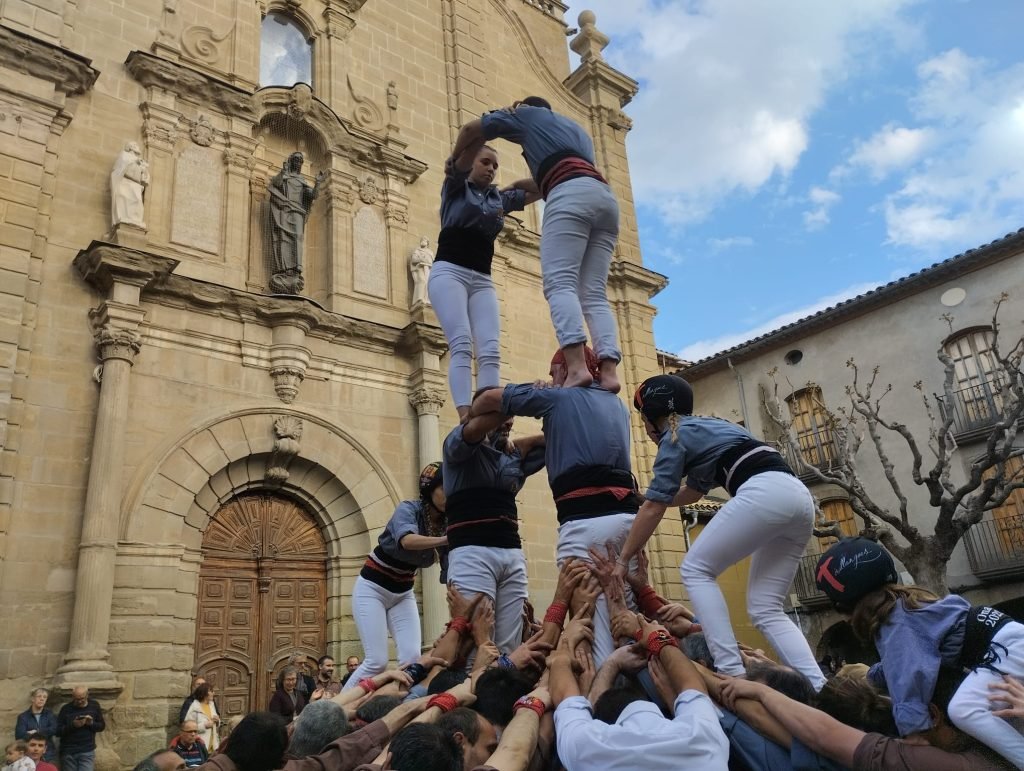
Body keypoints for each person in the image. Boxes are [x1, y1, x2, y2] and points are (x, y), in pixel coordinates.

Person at [612, 374, 826, 690]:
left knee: (696, 568)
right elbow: (693, 494)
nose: (644, 430)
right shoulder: (712, 427)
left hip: (764, 490)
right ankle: (819, 685)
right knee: (765, 607)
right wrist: (647, 497)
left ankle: (730, 673)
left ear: (652, 416)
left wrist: (623, 559)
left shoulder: (674, 434)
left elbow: (654, 510)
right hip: (798, 497)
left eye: (643, 420)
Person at [468, 346, 643, 664]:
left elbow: (485, 400)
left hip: (586, 524)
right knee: (627, 608)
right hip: (628, 521)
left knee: (591, 619)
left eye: (553, 372)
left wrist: (533, 392)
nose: (549, 378)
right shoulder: (616, 405)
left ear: (570, 370)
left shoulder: (558, 398)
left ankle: (608, 693)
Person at [450, 96, 622, 393]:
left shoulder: (524, 115)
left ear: (521, 106)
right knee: (593, 293)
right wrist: (512, 190)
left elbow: (469, 131)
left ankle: (578, 368)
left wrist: (455, 168)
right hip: (605, 200)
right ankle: (608, 373)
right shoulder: (577, 131)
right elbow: (547, 180)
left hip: (570, 194)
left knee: (560, 284)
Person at [816, 536, 1024, 767]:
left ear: (845, 607)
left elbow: (910, 673)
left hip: (1001, 649)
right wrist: (872, 676)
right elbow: (903, 661)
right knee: (1000, 711)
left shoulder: (894, 624)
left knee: (964, 708)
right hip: (1005, 642)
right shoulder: (908, 604)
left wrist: (913, 730)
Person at [427, 142, 536, 420]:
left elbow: (540, 188)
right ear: (471, 163)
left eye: (495, 165)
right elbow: (457, 163)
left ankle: (487, 410)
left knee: (490, 348)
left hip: (481, 279)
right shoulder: (456, 187)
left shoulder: (498, 200)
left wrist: (511, 184)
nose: (491, 169)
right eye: (485, 162)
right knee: (462, 342)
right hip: (450, 271)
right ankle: (465, 414)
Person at [550, 613, 729, 770]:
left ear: (601, 724)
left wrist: (563, 650)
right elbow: (692, 682)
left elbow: (565, 696)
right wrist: (658, 638)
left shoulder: (588, 748)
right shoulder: (703, 737)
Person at [441, 414, 545, 655]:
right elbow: (471, 431)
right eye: (501, 416)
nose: (509, 423)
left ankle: (502, 688)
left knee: (509, 646)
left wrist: (526, 441)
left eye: (511, 417)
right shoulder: (457, 448)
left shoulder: (511, 456)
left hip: (511, 554)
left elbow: (557, 439)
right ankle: (469, 688)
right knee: (473, 642)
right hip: (472, 552)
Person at [347, 463, 448, 685]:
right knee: (376, 661)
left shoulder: (446, 522)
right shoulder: (409, 509)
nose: (451, 492)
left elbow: (450, 568)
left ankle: (396, 705)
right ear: (430, 489)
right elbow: (407, 540)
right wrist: (446, 540)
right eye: (445, 486)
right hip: (372, 589)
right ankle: (334, 711)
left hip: (403, 592)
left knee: (412, 659)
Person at [267, 151, 325, 294]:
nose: (298, 163)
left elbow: (313, 195)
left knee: (297, 240)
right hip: (284, 211)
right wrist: (283, 172)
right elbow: (275, 184)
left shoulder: (301, 180)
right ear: (291, 161)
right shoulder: (285, 176)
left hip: (297, 212)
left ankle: (295, 269)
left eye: (300, 161)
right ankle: (283, 269)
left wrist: (317, 183)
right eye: (296, 160)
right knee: (283, 239)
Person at [57, 687, 105, 771]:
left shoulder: (94, 706)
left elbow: (101, 726)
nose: (79, 701)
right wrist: (73, 725)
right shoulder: (66, 709)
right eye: (76, 699)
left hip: (86, 750)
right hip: (68, 752)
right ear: (72, 696)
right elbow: (57, 731)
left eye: (82, 698)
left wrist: (91, 724)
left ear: (87, 695)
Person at [110, 141, 149, 228]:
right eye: (135, 145)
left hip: (136, 185)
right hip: (126, 183)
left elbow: (144, 176)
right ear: (130, 147)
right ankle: (124, 220)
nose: (137, 146)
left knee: (138, 202)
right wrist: (136, 161)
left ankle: (134, 221)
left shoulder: (139, 160)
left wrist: (143, 169)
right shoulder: (125, 155)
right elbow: (121, 167)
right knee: (125, 200)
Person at [15, 689, 58, 762]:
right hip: (29, 754)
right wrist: (43, 732)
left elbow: (54, 729)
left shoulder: (50, 714)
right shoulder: (23, 717)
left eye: (44, 697)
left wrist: (37, 732)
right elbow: (19, 735)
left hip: (48, 753)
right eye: (39, 696)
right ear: (32, 699)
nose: (42, 699)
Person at [184, 683, 220, 752]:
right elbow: (188, 727)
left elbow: (215, 723)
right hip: (200, 745)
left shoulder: (211, 704)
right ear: (204, 693)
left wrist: (217, 720)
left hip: (213, 745)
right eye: (211, 691)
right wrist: (204, 726)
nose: (213, 693)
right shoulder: (194, 707)